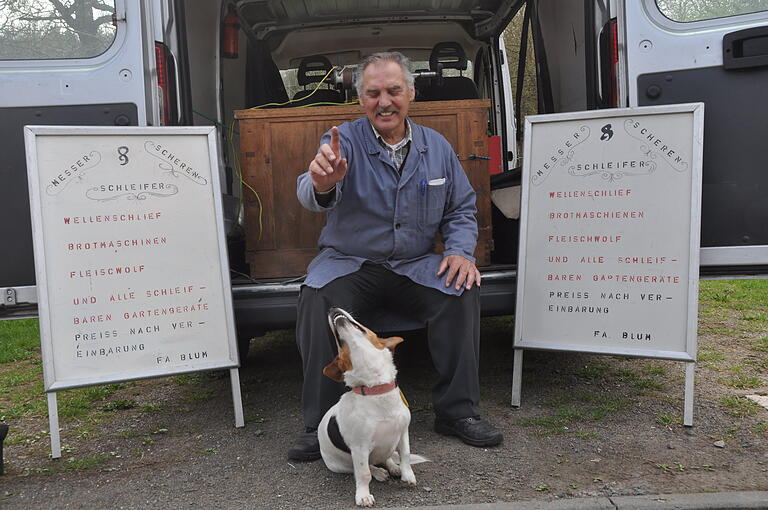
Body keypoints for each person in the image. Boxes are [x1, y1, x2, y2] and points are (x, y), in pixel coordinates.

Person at [289, 51, 502, 462]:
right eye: (373, 93)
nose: (384, 102)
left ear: (411, 93)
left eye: (393, 91)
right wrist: (321, 183)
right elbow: (312, 186)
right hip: (351, 262)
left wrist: (459, 252)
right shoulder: (343, 140)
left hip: (413, 265)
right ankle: (318, 423)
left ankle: (458, 412)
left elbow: (460, 208)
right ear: (361, 99)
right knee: (317, 298)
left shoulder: (436, 147)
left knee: (460, 289)